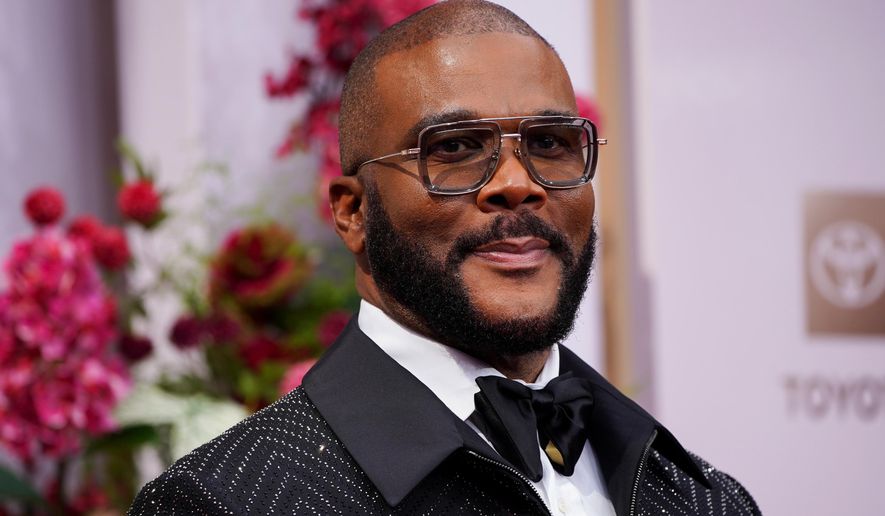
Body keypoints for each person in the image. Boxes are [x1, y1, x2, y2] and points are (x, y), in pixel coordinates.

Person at [129, 1, 761, 514]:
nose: (517, 183)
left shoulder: (706, 500)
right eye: (455, 148)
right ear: (353, 213)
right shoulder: (222, 504)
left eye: (549, 143)